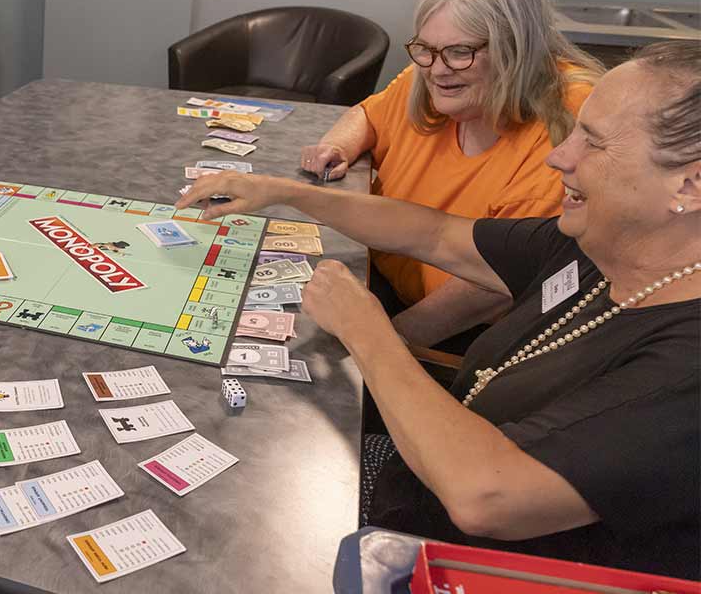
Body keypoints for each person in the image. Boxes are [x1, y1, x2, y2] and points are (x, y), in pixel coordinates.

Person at [178, 40, 700, 578]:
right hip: (411, 485)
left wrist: (368, 330)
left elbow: (487, 498)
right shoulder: (597, 243)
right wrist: (283, 192)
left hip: (457, 565)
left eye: (594, 143)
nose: (559, 156)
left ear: (690, 182)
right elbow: (437, 234)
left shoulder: (687, 363)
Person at [301, 0, 604, 351]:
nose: (437, 70)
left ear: (517, 50)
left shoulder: (569, 122)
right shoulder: (431, 72)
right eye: (425, 49)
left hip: (460, 336)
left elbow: (496, 286)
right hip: (380, 282)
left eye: (460, 53)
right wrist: (338, 145)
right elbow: (369, 115)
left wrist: (379, 344)